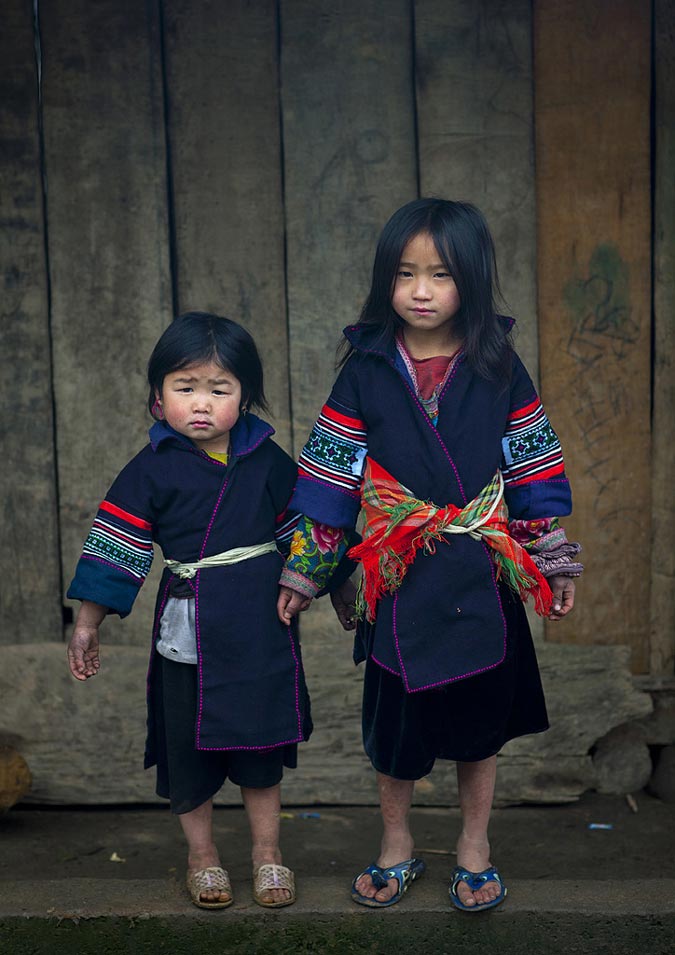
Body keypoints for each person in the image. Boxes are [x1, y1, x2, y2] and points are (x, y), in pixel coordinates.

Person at [277, 199, 582, 912]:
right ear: (386, 279)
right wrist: (307, 568)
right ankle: (396, 844)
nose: (420, 290)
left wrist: (552, 558)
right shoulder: (365, 370)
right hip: (397, 572)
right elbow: (328, 478)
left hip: (480, 566)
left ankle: (474, 844)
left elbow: (533, 471)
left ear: (469, 281)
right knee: (395, 726)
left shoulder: (500, 366)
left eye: (439, 275)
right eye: (405, 273)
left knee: (481, 722)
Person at [67, 312, 309, 911]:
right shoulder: (149, 470)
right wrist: (87, 622)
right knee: (188, 744)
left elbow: (309, 533)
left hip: (259, 627)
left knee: (259, 745)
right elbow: (114, 550)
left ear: (244, 397)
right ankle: (202, 856)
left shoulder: (269, 461)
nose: (201, 404)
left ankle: (266, 853)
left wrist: (337, 587)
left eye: (219, 390)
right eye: (185, 387)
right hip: (189, 628)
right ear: (158, 396)